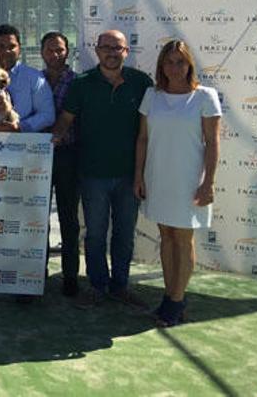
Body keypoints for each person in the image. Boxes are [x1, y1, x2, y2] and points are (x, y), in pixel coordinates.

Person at [52, 30, 153, 310]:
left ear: (126, 52)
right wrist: (50, 140)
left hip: (130, 176)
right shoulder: (82, 84)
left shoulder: (141, 83)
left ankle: (120, 286)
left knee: (124, 233)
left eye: (117, 48)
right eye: (105, 47)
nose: (111, 52)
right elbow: (65, 120)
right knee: (95, 234)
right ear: (96, 51)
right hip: (92, 174)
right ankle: (97, 286)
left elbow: (155, 123)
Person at [134, 39, 221, 326]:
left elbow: (212, 144)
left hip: (188, 180)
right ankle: (170, 296)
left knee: (183, 240)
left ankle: (175, 301)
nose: (174, 68)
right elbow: (143, 139)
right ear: (161, 66)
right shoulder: (152, 95)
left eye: (180, 62)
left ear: (189, 65)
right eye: (169, 62)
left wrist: (208, 182)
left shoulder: (205, 96)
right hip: (158, 177)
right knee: (167, 237)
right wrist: (139, 176)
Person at [41, 31, 81, 297]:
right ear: (42, 52)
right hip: (39, 157)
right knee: (37, 217)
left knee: (68, 218)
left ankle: (70, 276)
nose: (55, 55)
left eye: (60, 50)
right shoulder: (35, 80)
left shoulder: (79, 82)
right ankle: (36, 273)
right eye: (50, 50)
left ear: (68, 52)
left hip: (68, 156)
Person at [0, 24, 55, 133]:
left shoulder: (34, 78)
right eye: (0, 46)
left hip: (20, 144)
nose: (6, 51)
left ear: (19, 48)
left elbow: (47, 115)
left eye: (11, 47)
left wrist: (20, 127)